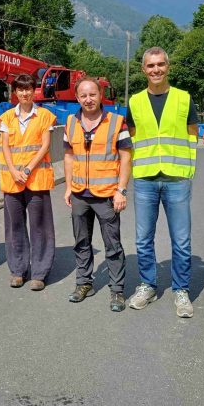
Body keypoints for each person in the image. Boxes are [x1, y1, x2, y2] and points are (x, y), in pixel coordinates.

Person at [127, 46, 198, 318]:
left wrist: (189, 171)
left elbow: (193, 135)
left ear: (168, 66)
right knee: (143, 239)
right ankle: (148, 285)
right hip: (145, 177)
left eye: (160, 64)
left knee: (181, 240)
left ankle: (181, 290)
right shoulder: (134, 101)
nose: (155, 70)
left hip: (177, 177)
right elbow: (133, 135)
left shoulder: (183, 98)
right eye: (150, 65)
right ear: (144, 69)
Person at [64, 77, 132, 312]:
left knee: (112, 244)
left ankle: (117, 290)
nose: (88, 99)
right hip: (80, 194)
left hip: (106, 195)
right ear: (77, 97)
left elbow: (125, 157)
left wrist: (121, 190)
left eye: (92, 94)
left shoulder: (116, 122)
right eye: (83, 95)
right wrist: (67, 187)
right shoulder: (71, 122)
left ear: (101, 95)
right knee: (81, 242)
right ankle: (84, 283)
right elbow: (69, 156)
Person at [0, 74, 57, 291]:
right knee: (14, 226)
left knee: (40, 226)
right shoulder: (6, 118)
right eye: (20, 89)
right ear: (15, 92)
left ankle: (39, 272)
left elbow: (45, 146)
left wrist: (28, 169)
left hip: (36, 179)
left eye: (28, 89)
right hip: (12, 179)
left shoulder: (44, 116)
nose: (25, 93)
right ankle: (17, 270)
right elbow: (5, 147)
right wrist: (14, 171)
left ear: (34, 91)